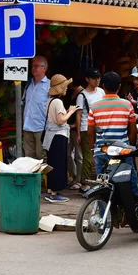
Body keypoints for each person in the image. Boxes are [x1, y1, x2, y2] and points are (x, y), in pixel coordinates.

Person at [87, 72, 138, 195]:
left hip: (101, 151)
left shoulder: (94, 106)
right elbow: (132, 132)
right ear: (119, 87)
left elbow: (90, 133)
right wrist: (130, 147)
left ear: (103, 87)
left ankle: (103, 213)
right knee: (131, 182)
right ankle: (134, 209)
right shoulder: (127, 105)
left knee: (102, 186)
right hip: (123, 151)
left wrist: (92, 149)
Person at [43, 74, 77, 203]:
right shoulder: (58, 102)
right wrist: (71, 111)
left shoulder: (49, 101)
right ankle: (55, 193)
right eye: (65, 86)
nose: (67, 89)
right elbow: (61, 120)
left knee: (52, 163)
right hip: (58, 136)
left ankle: (51, 190)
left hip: (51, 136)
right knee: (58, 164)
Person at [75, 68, 104, 192]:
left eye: (98, 78)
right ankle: (84, 184)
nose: (97, 80)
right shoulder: (82, 95)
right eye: (94, 78)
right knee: (88, 156)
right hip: (85, 128)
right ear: (87, 79)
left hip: (100, 128)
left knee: (102, 154)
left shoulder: (102, 92)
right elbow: (78, 114)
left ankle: (101, 181)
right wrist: (78, 133)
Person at [22, 56, 51, 159]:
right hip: (27, 126)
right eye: (32, 66)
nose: (34, 68)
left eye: (37, 66)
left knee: (41, 156)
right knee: (28, 157)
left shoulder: (49, 86)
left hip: (41, 127)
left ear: (44, 68)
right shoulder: (28, 84)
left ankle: (42, 176)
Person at [65, 79, 84, 190]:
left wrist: (77, 129)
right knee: (68, 154)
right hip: (70, 128)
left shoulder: (81, 95)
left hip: (77, 129)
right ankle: (74, 177)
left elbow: (80, 114)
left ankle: (79, 179)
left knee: (79, 155)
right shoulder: (72, 94)